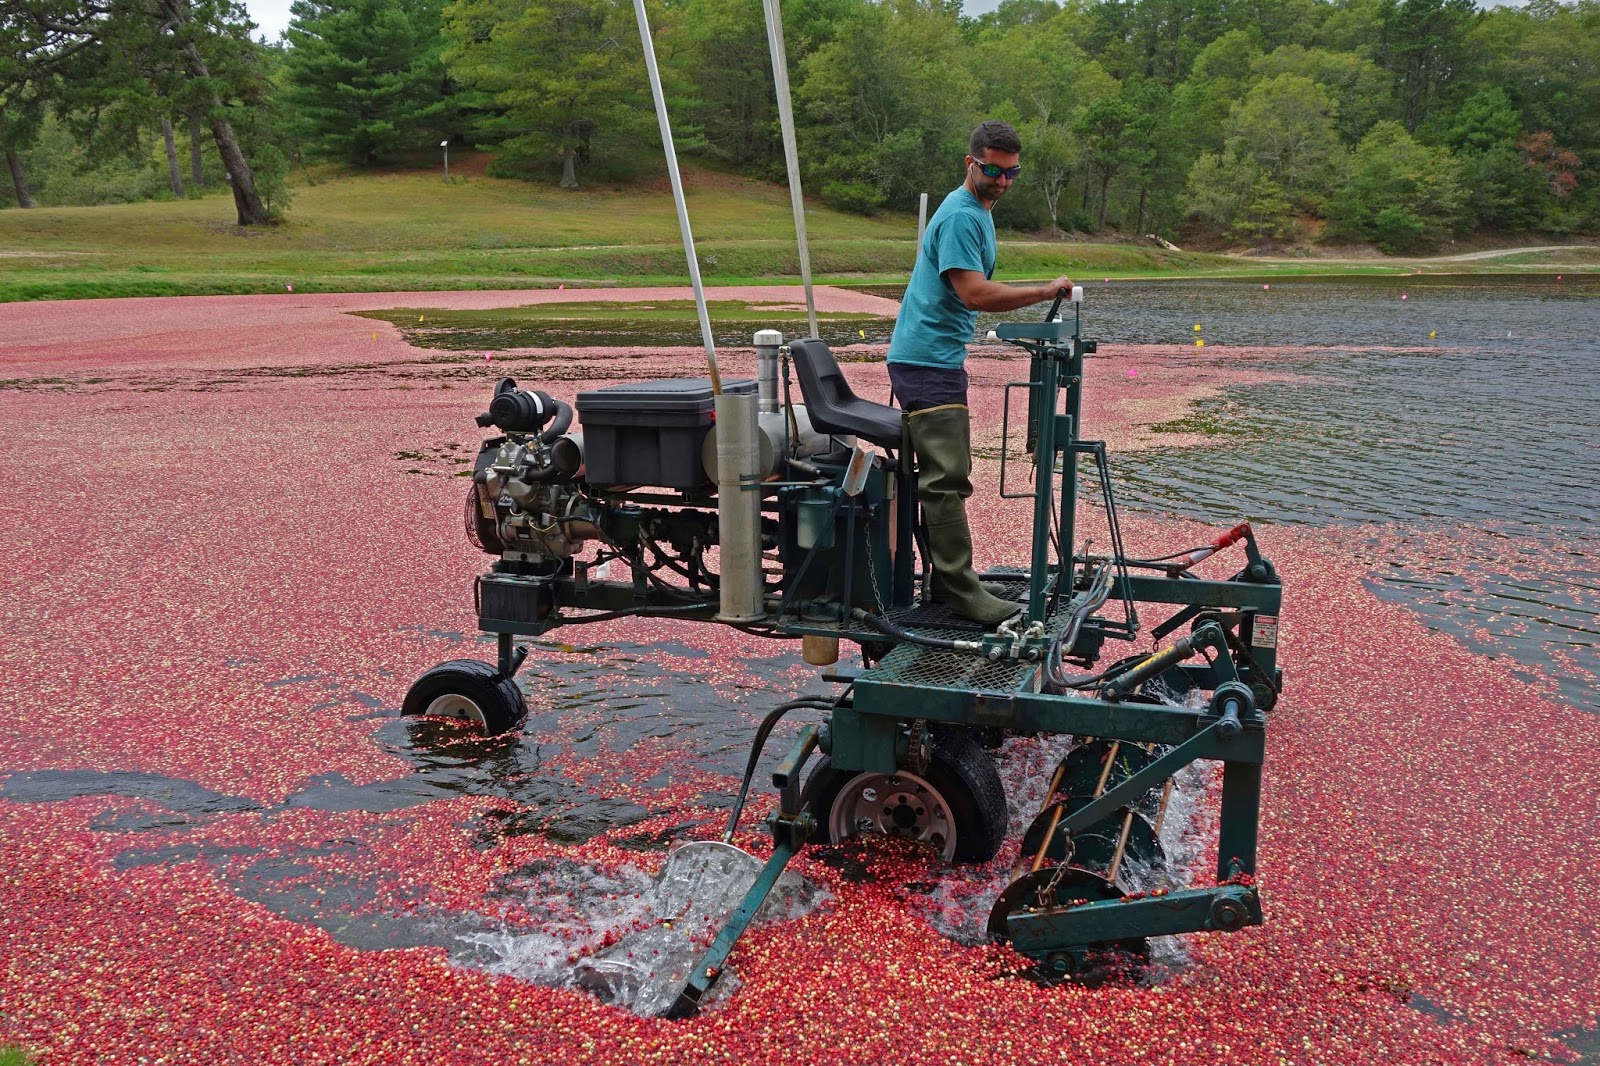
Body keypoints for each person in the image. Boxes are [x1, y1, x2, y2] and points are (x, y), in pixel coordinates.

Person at [886, 119, 1073, 625]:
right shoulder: (964, 216)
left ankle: (950, 580)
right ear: (972, 163)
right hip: (926, 360)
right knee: (947, 479)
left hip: (936, 357)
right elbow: (973, 293)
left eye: (1012, 173)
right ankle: (958, 590)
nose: (1003, 181)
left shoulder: (978, 211)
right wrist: (1043, 290)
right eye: (993, 171)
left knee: (948, 475)